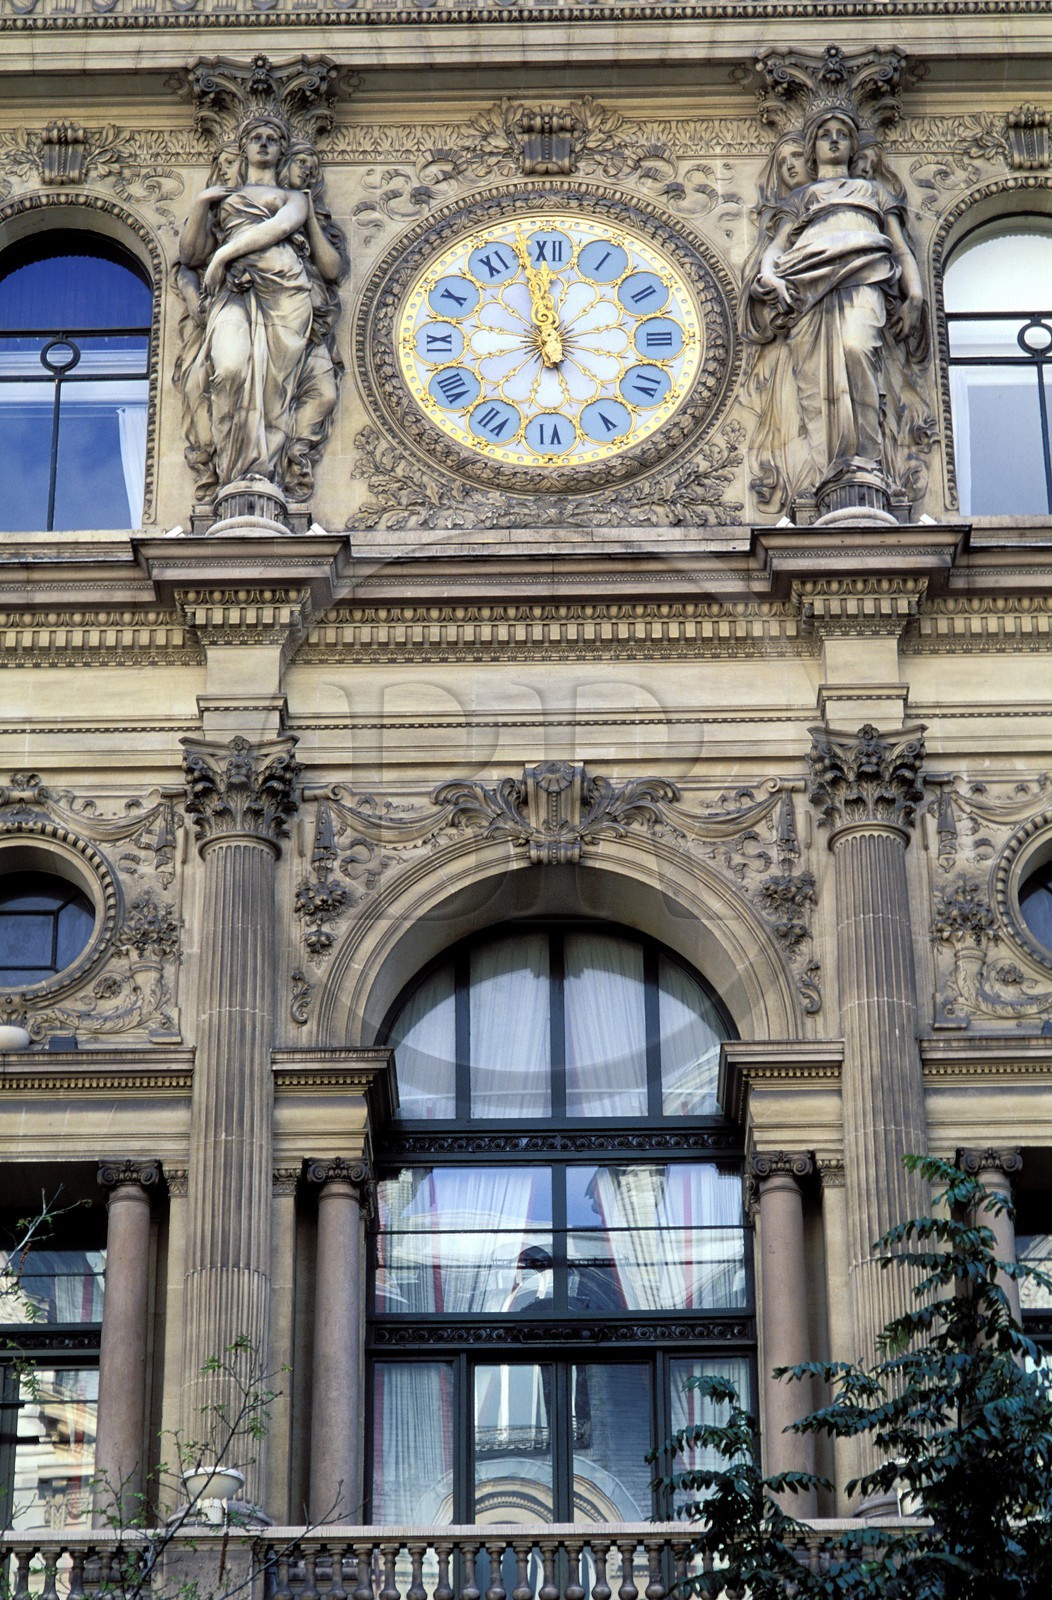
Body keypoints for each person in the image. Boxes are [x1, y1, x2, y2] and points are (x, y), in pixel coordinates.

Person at [741, 108, 929, 516]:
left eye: (841, 133)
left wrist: (914, 295)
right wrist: (770, 276)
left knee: (857, 347)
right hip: (810, 287)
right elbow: (775, 247)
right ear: (811, 150)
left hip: (865, 276)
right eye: (824, 134)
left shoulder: (874, 193)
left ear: (852, 144)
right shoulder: (801, 197)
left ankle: (864, 461)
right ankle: (834, 469)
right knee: (815, 380)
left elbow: (900, 248)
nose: (832, 140)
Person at [174, 114, 320, 501]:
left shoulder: (293, 198)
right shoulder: (221, 198)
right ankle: (234, 466)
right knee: (231, 368)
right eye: (256, 137)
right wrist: (204, 202)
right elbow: (189, 256)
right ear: (243, 148)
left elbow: (277, 228)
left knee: (276, 387)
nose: (264, 143)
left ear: (281, 150)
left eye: (273, 138)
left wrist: (224, 255)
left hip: (287, 291)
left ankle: (263, 473)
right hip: (232, 294)